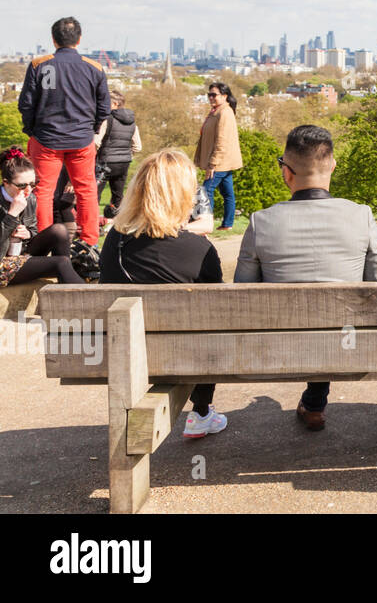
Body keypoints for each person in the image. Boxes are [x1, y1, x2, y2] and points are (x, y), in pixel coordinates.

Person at [234, 125, 377, 430]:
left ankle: (314, 401)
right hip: (349, 343)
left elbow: (243, 295)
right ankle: (315, 401)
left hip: (279, 346)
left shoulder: (260, 222)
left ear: (286, 173)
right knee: (335, 322)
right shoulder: (362, 215)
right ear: (332, 165)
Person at [99, 149, 226, 438]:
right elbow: (217, 313)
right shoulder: (199, 249)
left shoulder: (113, 241)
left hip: (124, 353)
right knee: (209, 327)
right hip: (186, 356)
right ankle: (202, 410)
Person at [18, 16, 110, 245]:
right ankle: (89, 243)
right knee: (86, 191)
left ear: (53, 39)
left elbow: (26, 104)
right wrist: (92, 129)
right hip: (81, 139)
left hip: (46, 139)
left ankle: (44, 242)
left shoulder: (39, 65)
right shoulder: (94, 67)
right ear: (79, 39)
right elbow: (104, 107)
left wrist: (32, 131)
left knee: (42, 192)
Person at [0, 147, 85, 287]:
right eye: (22, 186)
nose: (28, 190)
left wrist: (28, 233)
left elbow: (33, 230)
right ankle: (89, 296)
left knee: (59, 230)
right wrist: (12, 215)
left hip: (20, 254)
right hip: (2, 262)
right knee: (61, 262)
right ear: (6, 183)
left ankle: (67, 278)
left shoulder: (30, 198)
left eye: (33, 184)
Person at [194, 82, 242, 231]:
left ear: (224, 96)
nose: (211, 97)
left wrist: (212, 164)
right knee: (227, 193)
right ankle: (227, 224)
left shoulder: (224, 113)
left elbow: (222, 141)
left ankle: (205, 224)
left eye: (214, 95)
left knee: (205, 192)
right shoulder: (217, 111)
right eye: (209, 94)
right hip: (225, 161)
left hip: (220, 162)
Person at [94, 90, 141, 219]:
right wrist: (127, 154)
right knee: (118, 196)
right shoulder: (132, 122)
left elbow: (96, 142)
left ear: (114, 104)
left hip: (104, 163)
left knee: (94, 195)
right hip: (124, 163)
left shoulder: (107, 120)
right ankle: (115, 223)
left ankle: (94, 223)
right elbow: (138, 147)